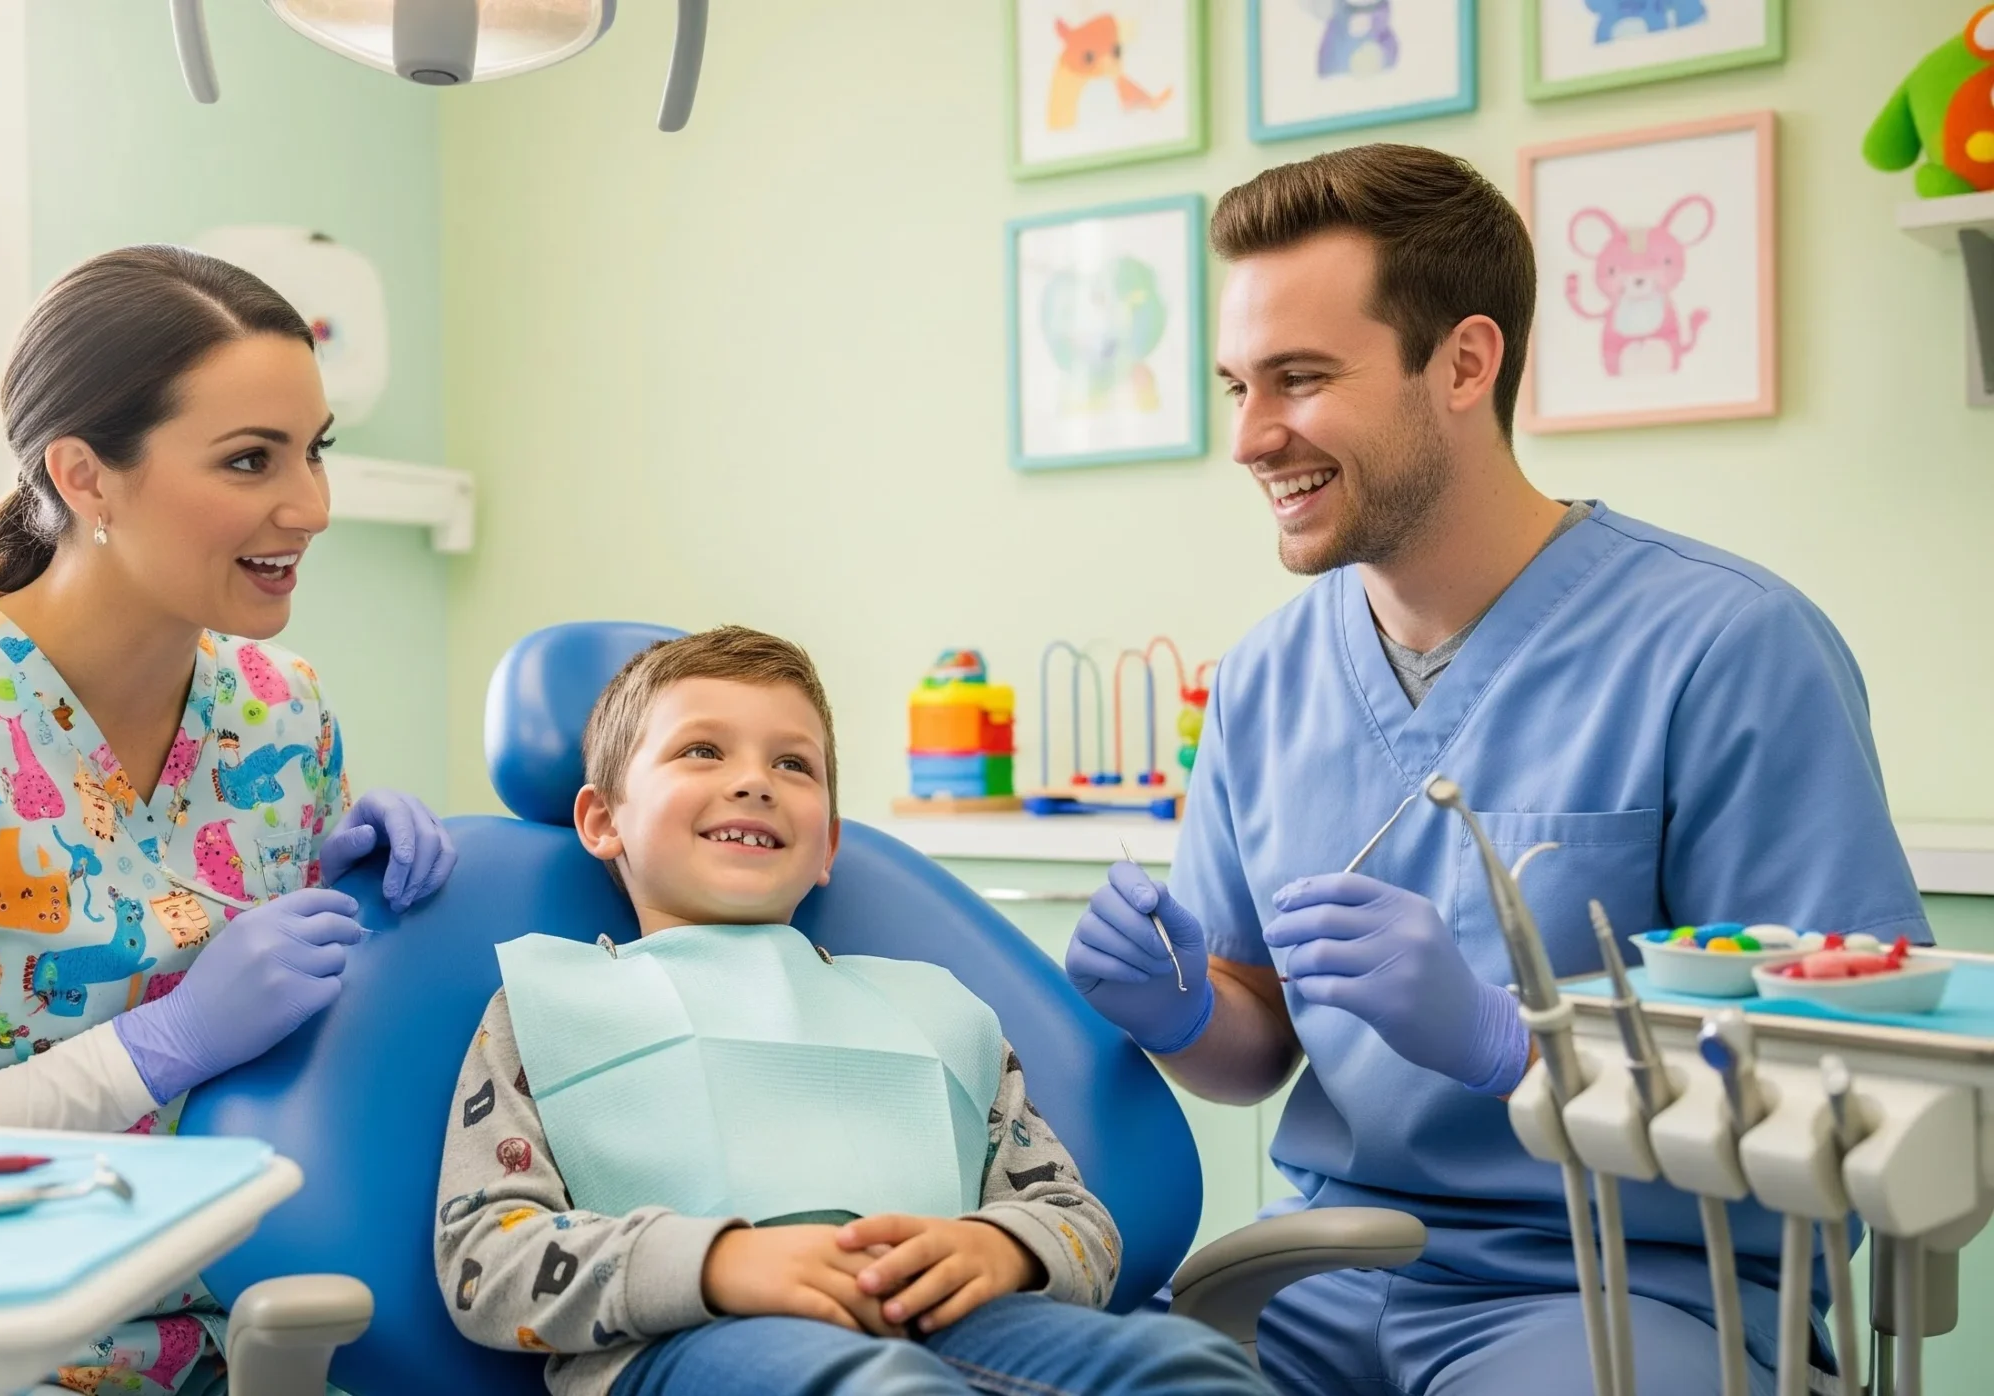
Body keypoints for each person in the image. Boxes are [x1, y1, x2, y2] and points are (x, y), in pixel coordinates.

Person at [1065, 145, 1931, 1396]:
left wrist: (1510, 1045)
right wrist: (1186, 1007)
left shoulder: (1727, 647)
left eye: (1300, 379)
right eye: (1237, 385)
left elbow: (1835, 1088)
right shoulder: (1261, 677)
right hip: (1311, 1275)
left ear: (1466, 362)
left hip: (1622, 1290)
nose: (1253, 436)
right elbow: (1254, 1042)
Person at [0, 244, 456, 1395]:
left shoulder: (283, 710)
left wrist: (358, 895)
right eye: (249, 459)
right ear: (86, 475)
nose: (309, 506)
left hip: (246, 1334)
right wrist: (161, 1044)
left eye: (315, 452)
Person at [434, 627, 1269, 1396]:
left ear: (829, 844)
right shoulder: (544, 1010)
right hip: (685, 1343)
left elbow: (1078, 1221)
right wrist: (719, 1263)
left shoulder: (936, 1012)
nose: (754, 781)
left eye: (793, 765)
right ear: (602, 820)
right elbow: (485, 1260)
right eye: (702, 750)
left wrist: (1001, 1247)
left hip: (959, 1323)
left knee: (1186, 1365)